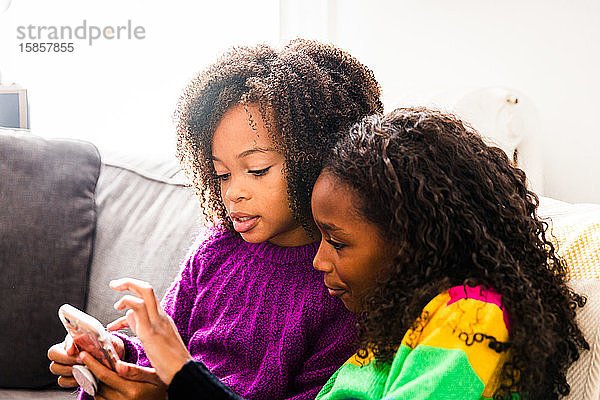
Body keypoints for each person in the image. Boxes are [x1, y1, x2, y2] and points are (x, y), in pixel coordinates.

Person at [84, 107, 589, 399]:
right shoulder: (390, 331)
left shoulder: (468, 318)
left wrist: (183, 376)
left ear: (410, 243)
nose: (319, 260)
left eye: (338, 241)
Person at [47, 38, 383, 400]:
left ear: (315, 158)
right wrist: (115, 354)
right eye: (222, 174)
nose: (233, 192)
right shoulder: (216, 250)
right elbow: (167, 348)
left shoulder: (340, 281)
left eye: (256, 170)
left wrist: (171, 392)